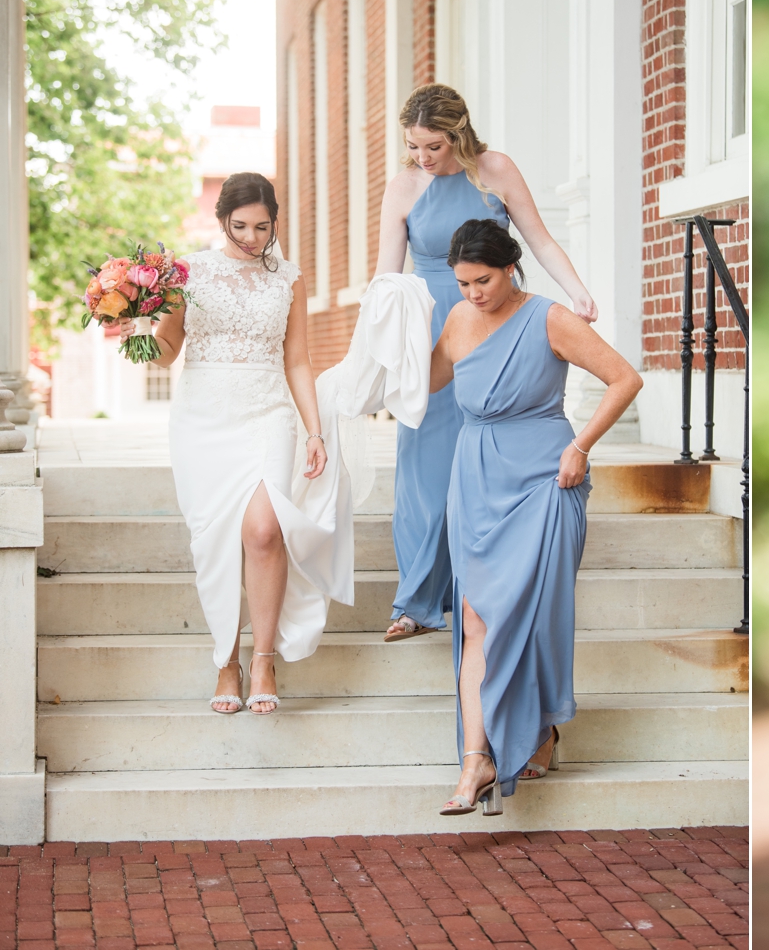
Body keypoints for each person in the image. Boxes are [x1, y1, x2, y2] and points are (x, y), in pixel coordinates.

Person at [426, 219, 641, 815]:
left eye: (484, 280)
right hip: (475, 480)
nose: (474, 293)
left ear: (510, 267)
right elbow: (425, 384)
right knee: (475, 622)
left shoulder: (549, 317)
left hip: (546, 478)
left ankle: (540, 729)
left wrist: (582, 447)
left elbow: (626, 379)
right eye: (464, 283)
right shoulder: (458, 320)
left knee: (530, 618)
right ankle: (476, 760)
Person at [374, 84, 598, 643]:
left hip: (498, 323)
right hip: (431, 332)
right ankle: (418, 599)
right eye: (414, 146)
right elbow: (386, 279)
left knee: (486, 464)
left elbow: (539, 240)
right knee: (425, 468)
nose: (423, 158)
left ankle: (486, 585)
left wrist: (577, 292)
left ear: (459, 133)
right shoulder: (403, 186)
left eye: (434, 146)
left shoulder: (495, 170)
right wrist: (378, 353)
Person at [124, 172, 332, 715]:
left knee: (264, 530)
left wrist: (314, 430)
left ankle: (263, 658)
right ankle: (227, 660)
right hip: (202, 419)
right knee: (214, 540)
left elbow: (298, 360)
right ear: (221, 221)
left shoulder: (289, 278)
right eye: (240, 226)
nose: (251, 237)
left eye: (262, 227)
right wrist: (140, 332)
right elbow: (169, 351)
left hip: (267, 413)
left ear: (274, 223)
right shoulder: (188, 273)